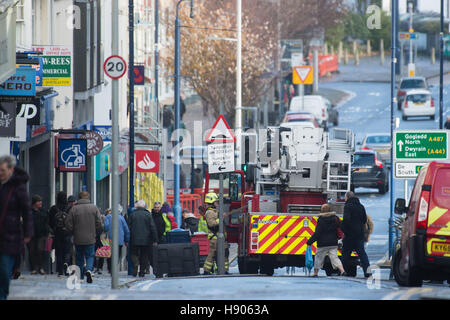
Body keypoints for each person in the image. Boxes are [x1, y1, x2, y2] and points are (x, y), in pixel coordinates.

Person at [0, 155, 32, 300]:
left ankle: (3, 294)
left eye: (2, 170)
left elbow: (26, 211)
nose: (0, 173)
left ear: (11, 169)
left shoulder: (17, 187)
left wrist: (28, 232)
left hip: (10, 235)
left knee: (5, 270)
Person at [65, 191, 103, 283]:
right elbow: (99, 223)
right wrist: (96, 231)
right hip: (90, 237)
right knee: (90, 255)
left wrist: (72, 231)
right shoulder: (94, 208)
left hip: (78, 237)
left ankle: (80, 276)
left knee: (79, 257)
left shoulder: (74, 209)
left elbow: (68, 223)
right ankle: (89, 270)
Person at [306, 204, 346, 277]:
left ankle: (315, 273)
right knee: (334, 258)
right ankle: (342, 271)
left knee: (318, 258)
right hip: (333, 243)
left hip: (322, 244)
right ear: (330, 210)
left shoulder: (321, 220)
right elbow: (341, 228)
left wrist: (309, 242)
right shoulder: (335, 218)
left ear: (322, 210)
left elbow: (317, 233)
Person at [341, 191, 371, 278]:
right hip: (359, 234)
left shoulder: (347, 206)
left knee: (346, 254)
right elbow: (364, 220)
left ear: (347, 197)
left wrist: (343, 227)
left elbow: (346, 220)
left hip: (349, 235)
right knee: (362, 254)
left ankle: (345, 271)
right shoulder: (361, 206)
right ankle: (368, 272)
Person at [128, 200, 158, 277]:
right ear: (144, 206)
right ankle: (141, 272)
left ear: (137, 206)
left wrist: (127, 238)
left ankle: (135, 263)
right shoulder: (148, 215)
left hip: (134, 239)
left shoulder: (132, 214)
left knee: (133, 253)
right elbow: (152, 228)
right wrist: (155, 239)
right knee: (144, 255)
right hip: (146, 239)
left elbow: (129, 227)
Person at [203, 193, 230, 275]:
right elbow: (212, 224)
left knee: (225, 253)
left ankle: (224, 270)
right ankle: (206, 270)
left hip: (221, 238)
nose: (217, 203)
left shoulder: (215, 211)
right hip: (215, 238)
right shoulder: (209, 212)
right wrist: (220, 219)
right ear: (211, 202)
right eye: (216, 201)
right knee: (212, 255)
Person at [49, 191, 73, 277]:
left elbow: (50, 222)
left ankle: (59, 270)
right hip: (67, 232)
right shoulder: (70, 208)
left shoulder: (53, 209)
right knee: (67, 251)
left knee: (58, 251)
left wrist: (52, 231)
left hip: (57, 233)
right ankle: (67, 266)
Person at [104, 205, 130, 273]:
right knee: (117, 254)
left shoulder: (108, 217)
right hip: (119, 240)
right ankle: (115, 267)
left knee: (109, 254)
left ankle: (110, 269)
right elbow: (126, 230)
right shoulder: (121, 218)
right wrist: (126, 240)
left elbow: (105, 227)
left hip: (109, 239)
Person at [28, 195, 50, 275]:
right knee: (31, 251)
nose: (40, 202)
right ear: (34, 203)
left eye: (41, 201)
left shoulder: (43, 211)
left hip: (41, 234)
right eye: (38, 201)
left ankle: (41, 267)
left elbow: (46, 222)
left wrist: (47, 231)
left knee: (40, 250)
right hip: (31, 234)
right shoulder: (29, 211)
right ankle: (33, 268)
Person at [94, 209, 106, 274]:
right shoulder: (103, 218)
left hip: (96, 237)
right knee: (101, 252)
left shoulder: (93, 218)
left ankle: (96, 266)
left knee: (97, 252)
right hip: (100, 237)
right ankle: (98, 267)